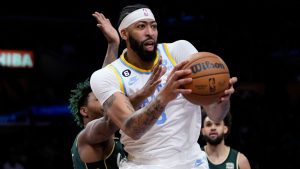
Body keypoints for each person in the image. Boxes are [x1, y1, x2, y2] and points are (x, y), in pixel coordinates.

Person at [90, 3, 238, 169]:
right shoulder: (106, 75)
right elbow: (132, 129)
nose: (150, 32)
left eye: (153, 26)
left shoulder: (179, 51)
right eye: (141, 26)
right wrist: (164, 96)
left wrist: (221, 99)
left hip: (192, 161)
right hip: (144, 164)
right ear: (124, 33)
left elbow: (216, 116)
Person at [70, 12, 165, 169]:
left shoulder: (115, 137)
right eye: (97, 99)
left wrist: (113, 44)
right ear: (84, 111)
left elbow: (107, 83)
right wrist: (143, 94)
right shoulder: (86, 137)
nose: (104, 99)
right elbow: (110, 117)